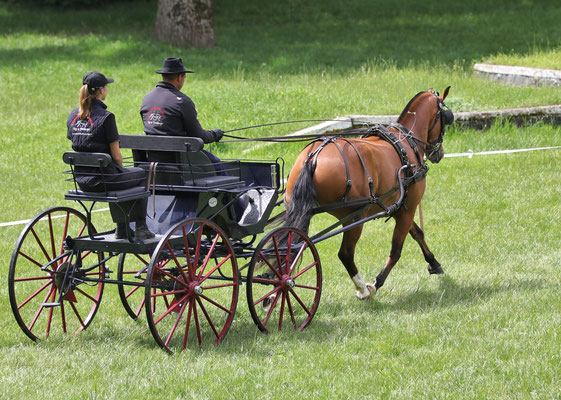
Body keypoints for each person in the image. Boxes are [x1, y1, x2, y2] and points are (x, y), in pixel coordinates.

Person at [67, 71, 155, 240]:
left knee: (122, 177)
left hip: (82, 180)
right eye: (106, 86)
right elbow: (116, 156)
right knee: (142, 175)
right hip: (103, 180)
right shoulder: (106, 117)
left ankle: (122, 228)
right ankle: (140, 227)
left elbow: (78, 143)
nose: (107, 89)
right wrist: (121, 170)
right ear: (100, 91)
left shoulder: (73, 116)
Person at [139, 57, 224, 167]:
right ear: (180, 77)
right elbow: (199, 136)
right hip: (179, 161)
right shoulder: (183, 102)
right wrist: (215, 134)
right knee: (217, 163)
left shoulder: (147, 99)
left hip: (153, 160)